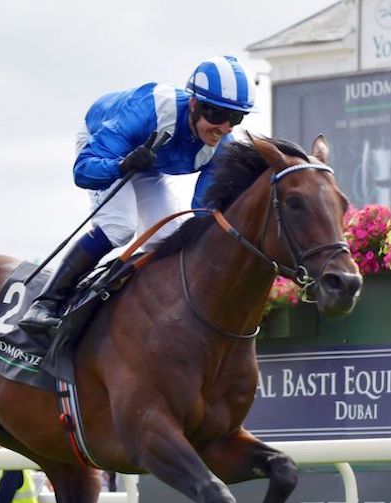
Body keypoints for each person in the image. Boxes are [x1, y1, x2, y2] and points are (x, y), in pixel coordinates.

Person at [19, 55, 254, 332]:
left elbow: (202, 214)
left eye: (235, 118)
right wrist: (122, 165)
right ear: (193, 104)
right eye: (216, 115)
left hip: (147, 163)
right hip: (104, 148)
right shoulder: (149, 109)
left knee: (169, 240)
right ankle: (46, 303)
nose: (224, 127)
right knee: (119, 226)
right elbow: (83, 171)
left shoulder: (223, 146)